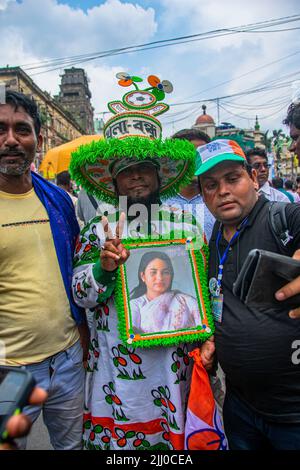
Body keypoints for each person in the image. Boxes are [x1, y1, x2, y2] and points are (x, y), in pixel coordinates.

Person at [70, 72, 213, 450]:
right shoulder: (96, 230)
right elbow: (81, 294)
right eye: (126, 172)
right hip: (115, 369)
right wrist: (104, 267)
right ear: (113, 183)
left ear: (159, 176)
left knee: (176, 446)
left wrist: (210, 335)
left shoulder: (185, 224)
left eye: (144, 170)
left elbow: (204, 291)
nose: (136, 178)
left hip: (174, 364)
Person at [195, 138, 300, 450]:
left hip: (293, 415)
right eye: (211, 185)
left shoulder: (282, 217)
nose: (223, 191)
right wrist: (212, 337)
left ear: (254, 179)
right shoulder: (213, 236)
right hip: (239, 408)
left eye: (232, 179)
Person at [0, 90, 88, 450]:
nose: (10, 140)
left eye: (22, 129)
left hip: (67, 362)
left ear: (37, 138)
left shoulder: (58, 199)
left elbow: (77, 269)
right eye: (0, 129)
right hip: (12, 373)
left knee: (72, 446)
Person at [130, 252, 200, 333]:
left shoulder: (187, 301)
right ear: (143, 276)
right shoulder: (135, 305)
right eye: (153, 272)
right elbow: (133, 335)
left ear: (171, 275)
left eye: (165, 272)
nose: (160, 278)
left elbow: (203, 329)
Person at [164, 128, 215, 240]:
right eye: (189, 155)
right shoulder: (157, 202)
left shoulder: (220, 199)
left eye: (201, 155)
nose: (196, 161)